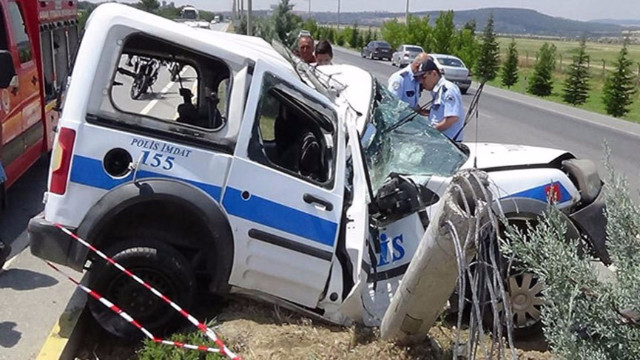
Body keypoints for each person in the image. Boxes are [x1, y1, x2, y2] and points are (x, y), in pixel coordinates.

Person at [414, 57, 465, 141]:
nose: (421, 81)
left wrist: (430, 131)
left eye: (423, 77)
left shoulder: (448, 89)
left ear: (433, 74)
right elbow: (440, 113)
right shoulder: (437, 90)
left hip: (449, 142)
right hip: (440, 140)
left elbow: (451, 119)